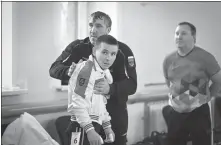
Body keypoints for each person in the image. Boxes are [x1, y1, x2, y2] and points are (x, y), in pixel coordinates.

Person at [49, 11, 137, 145]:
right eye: (91, 25)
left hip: (114, 116)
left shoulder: (121, 50)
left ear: (108, 30)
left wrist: (110, 88)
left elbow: (132, 84)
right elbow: (54, 68)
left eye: (98, 26)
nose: (93, 30)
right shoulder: (78, 47)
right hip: (84, 121)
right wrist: (69, 71)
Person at [162, 21, 221, 145]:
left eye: (183, 33)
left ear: (193, 37)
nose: (179, 37)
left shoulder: (206, 57)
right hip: (176, 111)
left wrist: (209, 96)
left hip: (198, 111)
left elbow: (218, 81)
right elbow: (169, 82)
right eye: (177, 33)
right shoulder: (168, 59)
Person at [67, 35, 117, 145]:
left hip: (94, 126)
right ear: (94, 51)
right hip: (80, 126)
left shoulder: (102, 73)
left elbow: (100, 104)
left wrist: (107, 126)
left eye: (113, 54)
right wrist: (89, 130)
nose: (108, 58)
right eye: (104, 52)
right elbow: (78, 103)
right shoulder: (86, 69)